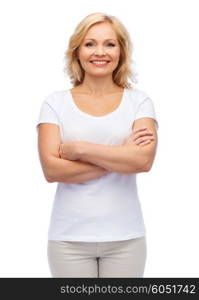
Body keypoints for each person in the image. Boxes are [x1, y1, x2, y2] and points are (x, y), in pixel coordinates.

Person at [36, 12, 159, 278]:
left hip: (126, 239)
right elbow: (52, 170)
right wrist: (120, 156)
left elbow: (143, 162)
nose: (99, 52)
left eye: (109, 44)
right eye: (90, 44)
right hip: (68, 241)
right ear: (77, 51)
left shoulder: (139, 102)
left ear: (121, 52)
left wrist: (80, 149)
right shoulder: (54, 104)